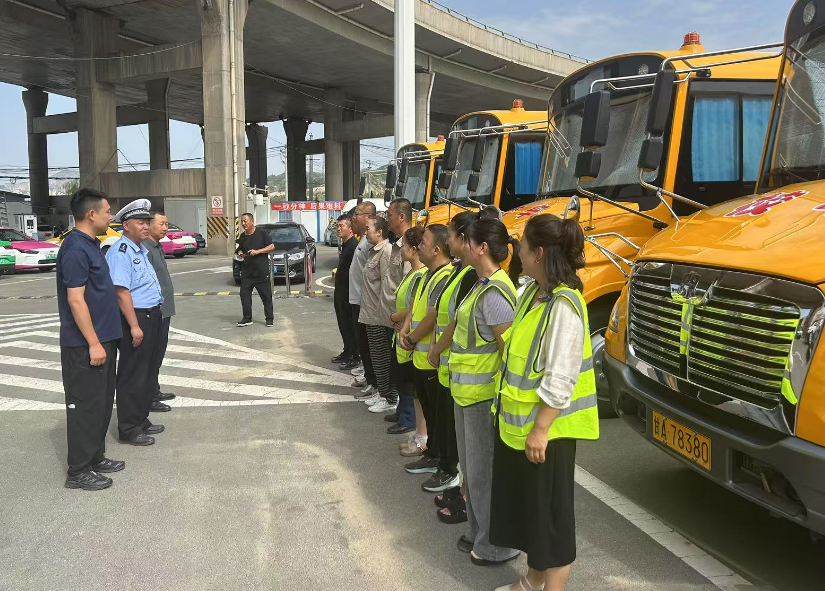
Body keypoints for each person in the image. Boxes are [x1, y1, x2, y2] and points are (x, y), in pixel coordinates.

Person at [490, 214, 599, 591]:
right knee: (535, 517)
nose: (516, 250)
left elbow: (561, 376)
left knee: (552, 524)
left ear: (538, 253)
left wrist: (540, 429)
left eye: (522, 245)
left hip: (548, 434)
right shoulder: (534, 296)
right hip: (524, 431)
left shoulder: (564, 305)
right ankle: (533, 582)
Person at [449, 217, 519, 566]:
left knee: (482, 474)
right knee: (472, 472)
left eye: (468, 242)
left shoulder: (494, 293)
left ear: (482, 248)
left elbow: (508, 353)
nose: (462, 246)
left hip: (482, 398)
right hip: (466, 395)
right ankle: (479, 532)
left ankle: (496, 545)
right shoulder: (481, 285)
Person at [57, 188, 124, 491]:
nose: (111, 216)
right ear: (91, 214)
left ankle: (95, 457)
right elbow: (76, 300)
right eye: (108, 211)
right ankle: (78, 470)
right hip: (85, 344)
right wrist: (94, 343)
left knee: (99, 403)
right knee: (85, 406)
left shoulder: (91, 245)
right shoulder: (74, 249)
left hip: (102, 339)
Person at [106, 199, 165, 446]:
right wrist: (134, 325)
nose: (145, 226)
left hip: (152, 315)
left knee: (147, 371)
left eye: (147, 222)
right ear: (126, 225)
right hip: (137, 317)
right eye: (140, 222)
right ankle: (129, 427)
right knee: (132, 374)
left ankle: (141, 418)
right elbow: (121, 292)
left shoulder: (140, 250)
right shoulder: (120, 252)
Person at [399, 225, 454, 485]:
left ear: (437, 249)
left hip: (431, 360)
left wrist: (411, 336)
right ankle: (432, 453)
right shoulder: (429, 275)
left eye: (425, 242)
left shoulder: (444, 276)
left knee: (437, 416)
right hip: (421, 357)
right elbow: (416, 308)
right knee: (430, 412)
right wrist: (407, 331)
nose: (419, 245)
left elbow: (433, 316)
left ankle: (439, 459)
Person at [358, 215, 402, 414]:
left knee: (382, 357)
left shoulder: (386, 252)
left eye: (369, 228)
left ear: (380, 231)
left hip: (379, 315)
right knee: (376, 357)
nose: (366, 231)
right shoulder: (373, 251)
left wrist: (388, 316)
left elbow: (388, 286)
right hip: (370, 313)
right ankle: (382, 392)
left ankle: (389, 397)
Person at [390, 226, 427, 438]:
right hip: (402, 333)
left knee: (409, 385)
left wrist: (397, 318)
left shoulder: (420, 275)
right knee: (402, 380)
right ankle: (401, 413)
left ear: (414, 249)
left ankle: (407, 419)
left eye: (404, 245)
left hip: (409, 337)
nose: (401, 249)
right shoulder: (412, 272)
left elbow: (414, 308)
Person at [382, 198, 415, 430]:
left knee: (407, 375)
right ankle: (402, 411)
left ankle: (408, 418)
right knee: (400, 370)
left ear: (401, 217)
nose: (387, 219)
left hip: (407, 322)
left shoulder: (411, 243)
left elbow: (412, 287)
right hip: (399, 319)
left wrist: (402, 318)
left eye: (390, 215)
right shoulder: (398, 243)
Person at [145, 211, 176, 413]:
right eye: (162, 224)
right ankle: (148, 398)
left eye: (167, 224)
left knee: (158, 354)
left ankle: (154, 391)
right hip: (154, 311)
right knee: (151, 356)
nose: (165, 228)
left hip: (164, 310)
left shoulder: (156, 246)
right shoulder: (145, 249)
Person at [348, 201, 379, 396]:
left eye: (357, 214)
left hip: (364, 301)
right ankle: (368, 376)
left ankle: (374, 382)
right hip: (356, 298)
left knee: (369, 345)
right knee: (362, 343)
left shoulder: (370, 242)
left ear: (368, 216)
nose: (353, 217)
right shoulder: (363, 239)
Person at [236, 213, 275, 328]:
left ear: (252, 221)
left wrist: (258, 251)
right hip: (247, 272)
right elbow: (239, 249)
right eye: (242, 221)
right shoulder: (243, 236)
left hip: (261, 272)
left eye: (245, 221)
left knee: (266, 296)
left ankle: (269, 319)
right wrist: (240, 253)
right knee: (244, 295)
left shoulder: (262, 233)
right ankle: (247, 318)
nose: (243, 224)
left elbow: (272, 246)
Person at [332, 214, 359, 366]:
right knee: (343, 324)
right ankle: (347, 351)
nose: (338, 228)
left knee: (349, 325)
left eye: (342, 226)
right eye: (337, 226)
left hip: (348, 294)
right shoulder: (346, 245)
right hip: (341, 292)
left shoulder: (354, 246)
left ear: (350, 228)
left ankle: (354, 355)